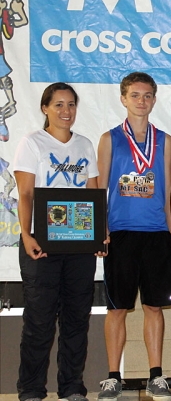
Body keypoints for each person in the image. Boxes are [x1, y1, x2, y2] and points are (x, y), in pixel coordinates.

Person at [14, 82, 106, 401]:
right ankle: (31, 389)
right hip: (42, 245)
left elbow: (93, 195)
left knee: (76, 321)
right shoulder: (32, 142)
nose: (66, 111)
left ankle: (71, 387)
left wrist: (99, 233)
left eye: (71, 105)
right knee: (39, 322)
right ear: (45, 108)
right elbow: (25, 193)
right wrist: (26, 234)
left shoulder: (84, 145)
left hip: (79, 247)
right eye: (58, 105)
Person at [97, 72, 171, 401]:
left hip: (157, 234)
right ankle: (113, 376)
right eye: (134, 95)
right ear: (123, 98)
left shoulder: (165, 140)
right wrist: (100, 230)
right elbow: (101, 188)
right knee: (117, 309)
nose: (141, 101)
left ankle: (156, 376)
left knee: (154, 307)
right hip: (121, 234)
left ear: (154, 100)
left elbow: (170, 191)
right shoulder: (110, 138)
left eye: (147, 95)